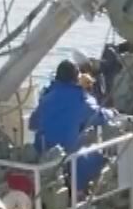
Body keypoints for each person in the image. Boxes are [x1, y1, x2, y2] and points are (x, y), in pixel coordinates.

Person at [29, 60, 116, 194]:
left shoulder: (46, 97)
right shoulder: (80, 98)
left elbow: (32, 123)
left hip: (43, 153)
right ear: (76, 78)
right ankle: (80, 193)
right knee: (98, 157)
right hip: (69, 156)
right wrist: (112, 112)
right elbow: (99, 116)